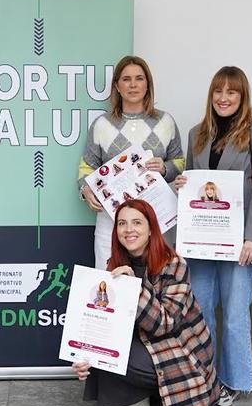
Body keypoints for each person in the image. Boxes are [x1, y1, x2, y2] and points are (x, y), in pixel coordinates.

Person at [73, 199, 234, 406]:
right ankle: (133, 399)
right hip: (145, 346)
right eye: (122, 224)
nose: (129, 230)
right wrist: (85, 354)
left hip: (180, 355)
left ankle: (134, 397)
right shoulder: (116, 265)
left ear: (151, 230)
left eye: (137, 223)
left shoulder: (174, 264)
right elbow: (106, 321)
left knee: (110, 351)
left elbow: (165, 323)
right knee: (102, 345)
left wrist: (134, 288)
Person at [174, 66, 252, 404]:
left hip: (240, 242)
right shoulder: (196, 133)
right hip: (201, 241)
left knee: (234, 316)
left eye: (232, 92)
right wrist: (181, 185)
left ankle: (234, 382)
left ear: (242, 96)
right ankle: (205, 378)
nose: (224, 97)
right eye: (218, 91)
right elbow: (193, 182)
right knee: (200, 312)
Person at [78, 56, 185, 268]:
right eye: (126, 79)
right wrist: (86, 191)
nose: (133, 84)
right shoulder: (101, 125)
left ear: (148, 84)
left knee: (157, 284)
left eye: (139, 78)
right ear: (117, 86)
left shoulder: (166, 122)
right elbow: (86, 168)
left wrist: (165, 168)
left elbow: (180, 162)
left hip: (156, 219)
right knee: (111, 284)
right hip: (112, 221)